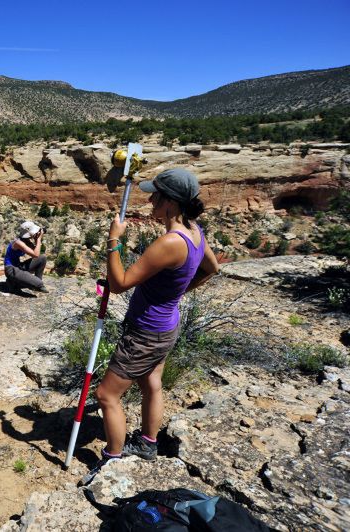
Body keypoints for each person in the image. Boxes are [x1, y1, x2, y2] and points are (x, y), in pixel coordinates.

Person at [84, 168, 220, 483]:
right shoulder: (194, 231)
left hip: (145, 331)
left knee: (106, 395)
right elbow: (211, 267)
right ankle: (147, 443)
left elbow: (119, 284)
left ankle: (112, 460)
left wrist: (113, 240)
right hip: (166, 326)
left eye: (155, 195)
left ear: (170, 202)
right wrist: (175, 294)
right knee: (151, 383)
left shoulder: (171, 242)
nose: (150, 200)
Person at [3, 220, 49, 293]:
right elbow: (35, 254)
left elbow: (37, 252)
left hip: (18, 266)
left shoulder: (26, 241)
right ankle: (12, 283)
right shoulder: (18, 242)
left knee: (42, 258)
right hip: (11, 269)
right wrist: (39, 239)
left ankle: (35, 282)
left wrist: (36, 239)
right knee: (39, 284)